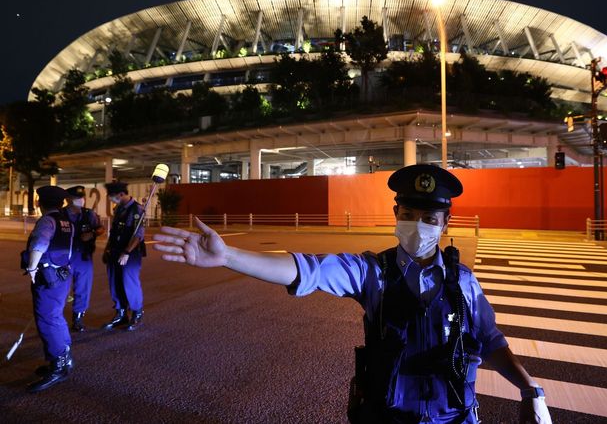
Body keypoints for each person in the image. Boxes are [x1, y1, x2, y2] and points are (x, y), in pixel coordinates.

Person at [152, 164, 552, 424]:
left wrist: (527, 387)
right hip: (390, 418)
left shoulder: (463, 281)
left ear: (446, 221)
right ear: (396, 215)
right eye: (408, 215)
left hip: (458, 417)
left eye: (429, 218)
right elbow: (305, 270)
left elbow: (490, 340)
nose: (417, 226)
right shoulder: (371, 272)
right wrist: (229, 256)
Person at [22, 186, 75, 392]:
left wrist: (32, 268)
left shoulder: (47, 220)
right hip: (62, 275)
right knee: (56, 317)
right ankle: (64, 359)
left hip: (48, 277)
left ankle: (58, 368)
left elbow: (39, 244)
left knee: (47, 319)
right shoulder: (66, 222)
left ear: (39, 203)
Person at [102, 181, 146, 331]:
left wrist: (127, 252)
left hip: (130, 253)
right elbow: (114, 232)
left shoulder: (137, 210)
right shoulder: (118, 209)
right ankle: (121, 313)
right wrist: (107, 249)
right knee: (114, 282)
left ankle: (136, 312)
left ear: (121, 194)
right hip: (115, 250)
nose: (111, 200)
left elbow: (138, 235)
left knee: (129, 281)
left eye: (112, 197)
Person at [63, 185, 105, 332]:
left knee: (83, 288)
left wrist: (93, 233)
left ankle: (78, 318)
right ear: (68, 199)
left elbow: (100, 228)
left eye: (82, 198)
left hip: (84, 257)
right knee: (61, 288)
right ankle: (55, 319)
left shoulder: (89, 214)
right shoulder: (60, 215)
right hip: (64, 258)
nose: (81, 201)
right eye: (77, 198)